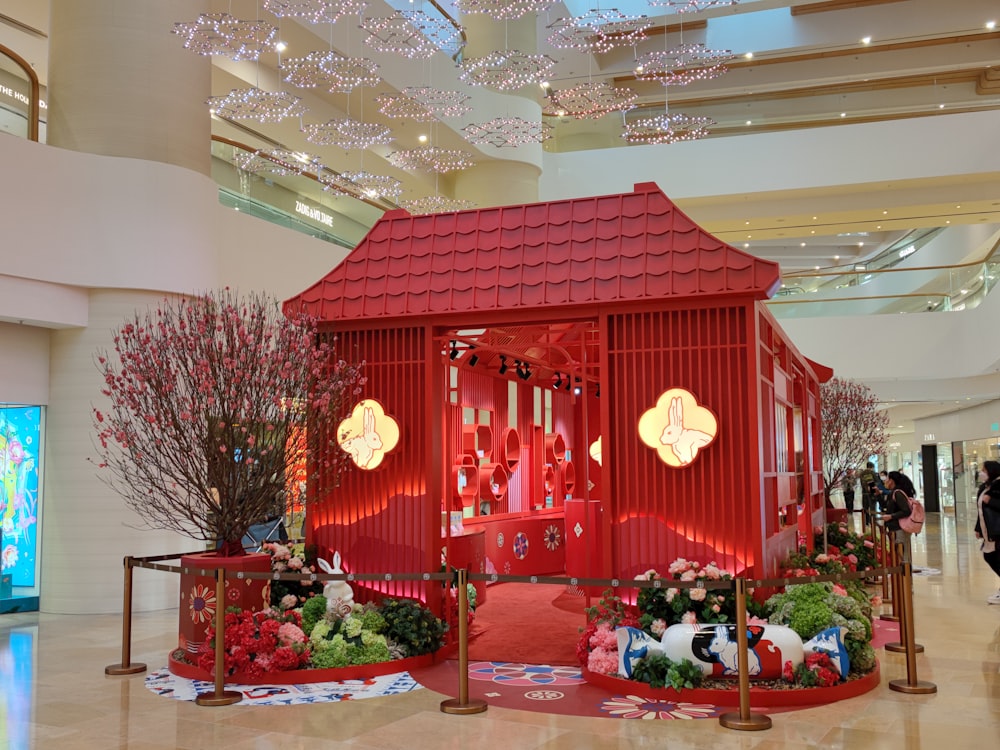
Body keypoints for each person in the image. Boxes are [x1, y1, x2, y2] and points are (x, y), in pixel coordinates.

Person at [974, 460, 1000, 604]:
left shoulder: (998, 486)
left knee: (995, 557)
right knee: (989, 556)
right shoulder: (985, 487)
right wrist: (978, 528)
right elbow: (980, 509)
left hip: (997, 530)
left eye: (984, 469)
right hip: (988, 530)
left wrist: (991, 501)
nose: (981, 472)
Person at [880, 470, 917, 563]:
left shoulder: (897, 493)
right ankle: (903, 574)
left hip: (899, 528)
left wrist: (891, 516)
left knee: (902, 554)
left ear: (891, 480)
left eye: (887, 479)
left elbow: (906, 511)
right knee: (899, 553)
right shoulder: (893, 493)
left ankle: (905, 575)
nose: (885, 481)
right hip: (895, 528)